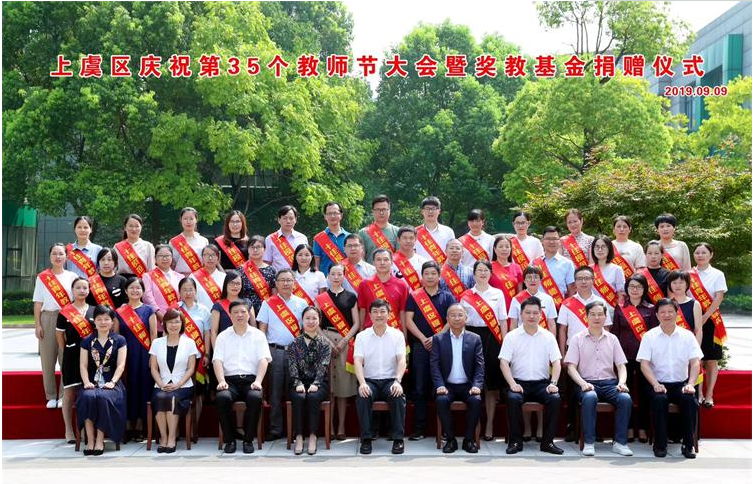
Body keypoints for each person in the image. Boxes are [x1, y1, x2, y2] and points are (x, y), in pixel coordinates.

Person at [565, 301, 633, 457]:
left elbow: (621, 365)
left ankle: (620, 443)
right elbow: (571, 368)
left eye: (600, 314)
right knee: (590, 397)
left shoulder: (612, 339)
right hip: (586, 383)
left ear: (605, 317)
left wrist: (622, 383)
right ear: (586, 316)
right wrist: (583, 384)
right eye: (593, 314)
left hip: (610, 384)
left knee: (625, 398)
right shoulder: (577, 338)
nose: (597, 318)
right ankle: (589, 442)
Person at [637, 298, 703, 459]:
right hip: (657, 384)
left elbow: (695, 362)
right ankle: (660, 444)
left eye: (670, 312)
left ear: (677, 313)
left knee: (689, 399)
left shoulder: (687, 336)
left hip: (681, 383)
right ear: (657, 315)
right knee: (659, 400)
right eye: (663, 312)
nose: (667, 315)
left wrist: (691, 384)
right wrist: (655, 384)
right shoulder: (649, 336)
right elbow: (644, 364)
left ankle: (688, 444)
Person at [500, 296, 563, 455]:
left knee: (554, 398)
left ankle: (547, 442)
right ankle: (516, 441)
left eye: (535, 313)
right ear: (521, 314)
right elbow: (503, 363)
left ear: (541, 315)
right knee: (513, 398)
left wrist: (553, 383)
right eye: (527, 312)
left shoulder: (548, 336)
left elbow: (556, 362)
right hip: (518, 383)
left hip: (542, 384)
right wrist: (512, 384)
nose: (531, 316)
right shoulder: (512, 336)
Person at [557, 265, 612, 441]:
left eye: (587, 278)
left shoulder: (601, 303)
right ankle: (573, 428)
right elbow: (562, 330)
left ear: (593, 280)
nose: (583, 282)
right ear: (575, 282)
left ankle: (593, 431)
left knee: (594, 392)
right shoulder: (567, 303)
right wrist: (562, 354)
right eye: (580, 279)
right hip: (574, 353)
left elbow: (607, 329)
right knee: (573, 392)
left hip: (597, 351)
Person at [404, 261, 457, 440]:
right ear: (422, 276)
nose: (430, 277)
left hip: (442, 347)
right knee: (419, 388)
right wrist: (422, 338)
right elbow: (408, 320)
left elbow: (452, 320)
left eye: (433, 273)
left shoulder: (448, 297)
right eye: (426, 273)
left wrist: (436, 338)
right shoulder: (414, 296)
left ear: (439, 276)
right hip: (420, 346)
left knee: (441, 387)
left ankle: (444, 429)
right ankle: (419, 429)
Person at [256, 269, 308, 440]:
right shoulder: (268, 303)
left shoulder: (302, 303)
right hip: (275, 352)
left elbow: (306, 330)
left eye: (289, 280)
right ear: (276, 284)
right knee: (275, 393)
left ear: (294, 283)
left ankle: (296, 429)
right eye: (282, 280)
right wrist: (264, 353)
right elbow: (262, 330)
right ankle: (276, 429)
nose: (286, 283)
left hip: (296, 353)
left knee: (296, 392)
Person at [213, 300, 272, 454]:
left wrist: (258, 381)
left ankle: (248, 440)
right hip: (229, 381)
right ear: (230, 315)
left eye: (243, 312)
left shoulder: (258, 335)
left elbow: (264, 360)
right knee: (222, 397)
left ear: (248, 314)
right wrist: (221, 381)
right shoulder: (223, 336)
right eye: (236, 312)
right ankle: (230, 440)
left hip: (251, 380)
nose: (239, 315)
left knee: (255, 397)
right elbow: (217, 360)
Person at [459, 260, 507, 441]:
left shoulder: (498, 294)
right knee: (472, 380)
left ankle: (489, 425)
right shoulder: (466, 295)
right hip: (471, 336)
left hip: (492, 338)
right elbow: (461, 322)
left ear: (490, 273)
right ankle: (473, 425)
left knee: (490, 384)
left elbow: (502, 321)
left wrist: (504, 344)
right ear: (474, 274)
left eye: (486, 270)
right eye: (479, 270)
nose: (482, 273)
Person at [354, 299, 408, 455]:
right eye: (375, 312)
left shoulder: (397, 335)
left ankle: (398, 439)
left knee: (398, 395)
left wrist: (398, 381)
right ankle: (366, 438)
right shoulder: (362, 336)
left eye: (383, 311)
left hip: (390, 380)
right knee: (363, 396)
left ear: (389, 314)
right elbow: (358, 361)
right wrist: (362, 383)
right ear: (370, 315)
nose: (379, 315)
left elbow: (402, 360)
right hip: (369, 381)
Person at [430, 304, 484, 454]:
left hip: (468, 386)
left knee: (476, 400)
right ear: (447, 318)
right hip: (447, 386)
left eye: (460, 315)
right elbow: (434, 365)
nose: (457, 318)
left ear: (466, 318)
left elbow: (480, 366)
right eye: (453, 315)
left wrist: (477, 385)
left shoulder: (475, 339)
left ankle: (469, 440)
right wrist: (439, 385)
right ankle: (450, 439)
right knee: (441, 400)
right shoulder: (438, 339)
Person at [315, 264, 360, 440]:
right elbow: (315, 323)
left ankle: (341, 428)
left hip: (345, 342)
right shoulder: (321, 298)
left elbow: (356, 323)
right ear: (328, 276)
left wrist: (344, 340)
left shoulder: (351, 297)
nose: (336, 277)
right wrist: (326, 341)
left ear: (344, 276)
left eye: (339, 274)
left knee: (342, 387)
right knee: (330, 389)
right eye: (333, 274)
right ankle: (330, 428)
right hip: (325, 339)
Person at [612, 273, 658, 443]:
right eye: (632, 286)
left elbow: (654, 335)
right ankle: (629, 428)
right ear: (627, 289)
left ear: (644, 289)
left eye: (639, 287)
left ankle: (644, 428)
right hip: (624, 358)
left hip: (644, 359)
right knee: (626, 393)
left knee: (645, 394)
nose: (635, 290)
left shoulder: (651, 309)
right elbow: (615, 334)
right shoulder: (620, 308)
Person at [77, 305, 127, 455]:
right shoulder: (87, 341)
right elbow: (83, 365)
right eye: (99, 319)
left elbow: (121, 365)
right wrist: (86, 382)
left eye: (107, 319)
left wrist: (112, 382)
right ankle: (90, 440)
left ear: (112, 321)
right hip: (92, 382)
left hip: (112, 383)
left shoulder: (120, 340)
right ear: (94, 321)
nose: (103, 322)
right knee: (87, 397)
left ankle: (100, 440)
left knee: (103, 398)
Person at [148, 308, 200, 453]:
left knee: (171, 398)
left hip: (183, 385)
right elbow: (153, 368)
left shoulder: (189, 343)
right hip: (162, 384)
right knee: (159, 397)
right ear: (164, 324)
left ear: (182, 324)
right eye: (170, 322)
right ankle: (163, 438)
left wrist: (178, 384)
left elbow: (191, 368)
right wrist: (161, 383)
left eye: (177, 322)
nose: (174, 325)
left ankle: (172, 438)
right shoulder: (157, 343)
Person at [33, 243, 77, 409]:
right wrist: (38, 325)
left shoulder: (72, 276)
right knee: (47, 359)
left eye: (61, 254)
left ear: (66, 257)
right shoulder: (42, 277)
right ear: (50, 256)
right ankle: (50, 395)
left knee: (65, 358)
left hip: (66, 318)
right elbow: (38, 302)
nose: (58, 257)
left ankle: (63, 395)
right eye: (54, 254)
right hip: (48, 317)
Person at [116, 276, 158, 441]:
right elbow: (117, 336)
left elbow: (154, 336)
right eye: (131, 288)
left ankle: (141, 424)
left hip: (144, 355)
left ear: (143, 291)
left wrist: (153, 357)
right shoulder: (119, 312)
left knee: (144, 388)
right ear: (126, 291)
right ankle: (127, 424)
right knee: (128, 388)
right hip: (126, 356)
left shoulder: (149, 310)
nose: (135, 290)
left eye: (138, 288)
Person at [287, 306, 332, 455]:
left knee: (313, 397)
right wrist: (297, 382)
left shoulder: (325, 344)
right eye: (307, 318)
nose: (311, 321)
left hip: (319, 383)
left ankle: (313, 436)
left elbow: (323, 366)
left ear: (319, 321)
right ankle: (299, 436)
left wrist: (316, 384)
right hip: (298, 382)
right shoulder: (294, 343)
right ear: (302, 320)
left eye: (314, 318)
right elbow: (292, 365)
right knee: (299, 397)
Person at [55, 277, 95, 443]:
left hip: (91, 357)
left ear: (89, 290)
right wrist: (68, 352)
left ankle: (86, 430)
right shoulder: (65, 312)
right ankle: (69, 430)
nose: (81, 290)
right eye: (78, 287)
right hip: (71, 356)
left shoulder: (94, 310)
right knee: (70, 393)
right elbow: (59, 336)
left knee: (88, 392)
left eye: (85, 288)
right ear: (72, 290)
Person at [690, 242, 728, 408]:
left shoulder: (717, 274)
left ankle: (709, 395)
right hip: (692, 318)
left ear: (711, 255)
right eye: (697, 252)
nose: (700, 255)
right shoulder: (688, 274)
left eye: (703, 252)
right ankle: (698, 393)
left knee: (711, 359)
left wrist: (705, 316)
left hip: (711, 320)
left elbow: (719, 297)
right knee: (695, 357)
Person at [357, 248, 409, 335]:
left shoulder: (401, 285)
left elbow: (402, 312)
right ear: (373, 262)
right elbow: (362, 310)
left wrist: (405, 335)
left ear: (391, 262)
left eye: (386, 259)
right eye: (378, 260)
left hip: (394, 333)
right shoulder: (364, 284)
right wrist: (361, 332)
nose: (382, 263)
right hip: (370, 333)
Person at [142, 244, 183, 333]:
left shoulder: (180, 277)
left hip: (175, 320)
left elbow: (182, 299)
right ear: (155, 259)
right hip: (156, 320)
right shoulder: (148, 276)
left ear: (172, 257)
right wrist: (159, 314)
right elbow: (147, 297)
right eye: (161, 256)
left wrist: (175, 316)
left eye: (167, 255)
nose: (164, 258)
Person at [508, 265, 557, 335]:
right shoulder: (516, 299)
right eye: (529, 277)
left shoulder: (548, 299)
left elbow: (551, 324)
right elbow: (513, 324)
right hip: (522, 337)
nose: (532, 280)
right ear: (524, 281)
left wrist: (552, 340)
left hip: (542, 337)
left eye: (536, 277)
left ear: (540, 280)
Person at [210, 270, 253, 350]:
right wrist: (217, 353)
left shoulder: (247, 303)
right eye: (232, 283)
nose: (235, 286)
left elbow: (254, 327)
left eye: (238, 284)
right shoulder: (218, 305)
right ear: (226, 284)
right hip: (226, 347)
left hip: (246, 346)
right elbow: (214, 332)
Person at [535, 226, 576, 307]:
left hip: (559, 308)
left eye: (554, 239)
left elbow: (571, 289)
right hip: (537, 308)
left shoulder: (567, 264)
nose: (551, 242)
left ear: (559, 241)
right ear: (542, 241)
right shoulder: (534, 263)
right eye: (548, 239)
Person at [589, 235, 626, 319]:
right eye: (597, 247)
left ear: (609, 249)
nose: (600, 250)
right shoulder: (589, 270)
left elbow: (621, 294)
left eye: (603, 247)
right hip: (592, 312)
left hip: (611, 311)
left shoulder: (617, 269)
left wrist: (619, 312)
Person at [239, 235, 277, 314]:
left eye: (258, 247)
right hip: (246, 312)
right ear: (248, 249)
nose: (255, 250)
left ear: (265, 249)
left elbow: (274, 294)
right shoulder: (241, 270)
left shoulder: (271, 270)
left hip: (266, 311)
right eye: (252, 247)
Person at [264, 205, 309, 271]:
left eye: (291, 218)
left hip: (299, 276)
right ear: (279, 220)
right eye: (285, 218)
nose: (288, 221)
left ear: (295, 220)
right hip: (278, 276)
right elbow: (267, 262)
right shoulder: (270, 239)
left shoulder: (302, 238)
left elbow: (307, 260)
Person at [414, 196, 456, 264]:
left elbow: (452, 252)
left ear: (439, 211)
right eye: (427, 208)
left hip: (442, 269)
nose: (430, 211)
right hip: (420, 269)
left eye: (433, 208)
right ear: (422, 211)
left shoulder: (448, 231)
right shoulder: (415, 232)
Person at [313, 201, 350, 275]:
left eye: (335, 213)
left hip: (346, 279)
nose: (332, 216)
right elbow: (316, 264)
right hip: (325, 279)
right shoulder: (318, 238)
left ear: (341, 215)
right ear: (325, 216)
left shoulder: (349, 237)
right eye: (329, 213)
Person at [170, 207, 209, 276]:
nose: (188, 222)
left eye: (191, 219)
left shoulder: (204, 241)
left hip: (199, 278)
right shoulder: (173, 242)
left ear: (196, 220)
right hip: (179, 278)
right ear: (181, 220)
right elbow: (170, 264)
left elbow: (207, 263)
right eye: (185, 219)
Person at [667, 270, 703, 343]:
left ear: (687, 284)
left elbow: (698, 330)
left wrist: (696, 349)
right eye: (674, 282)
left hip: (688, 344)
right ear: (670, 285)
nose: (678, 285)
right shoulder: (666, 304)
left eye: (681, 282)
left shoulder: (695, 304)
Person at [490, 234, 523, 308]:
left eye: (507, 247)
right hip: (494, 308)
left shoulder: (517, 267)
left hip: (512, 308)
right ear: (495, 249)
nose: (504, 249)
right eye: (501, 246)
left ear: (511, 249)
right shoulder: (489, 267)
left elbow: (519, 294)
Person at [189, 245, 226, 310]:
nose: (210, 258)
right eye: (206, 255)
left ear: (218, 258)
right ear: (202, 257)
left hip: (219, 313)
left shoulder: (224, 277)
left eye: (213, 255)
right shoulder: (193, 277)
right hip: (199, 313)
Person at [392, 226, 429, 290]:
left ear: (415, 239)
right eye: (405, 238)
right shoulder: (390, 261)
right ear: (398, 240)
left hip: (417, 295)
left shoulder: (423, 262)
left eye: (411, 238)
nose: (408, 241)